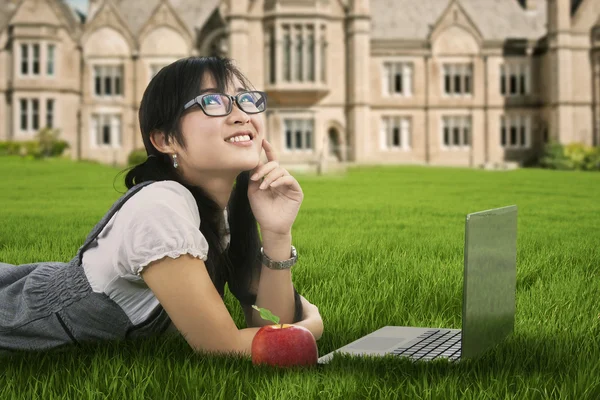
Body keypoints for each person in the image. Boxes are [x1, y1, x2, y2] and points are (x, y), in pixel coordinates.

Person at [0, 56, 324, 357]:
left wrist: (277, 232)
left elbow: (267, 322)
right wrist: (310, 327)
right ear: (164, 139)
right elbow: (222, 347)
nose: (241, 114)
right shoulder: (159, 208)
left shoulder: (221, 211)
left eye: (245, 99)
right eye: (212, 101)